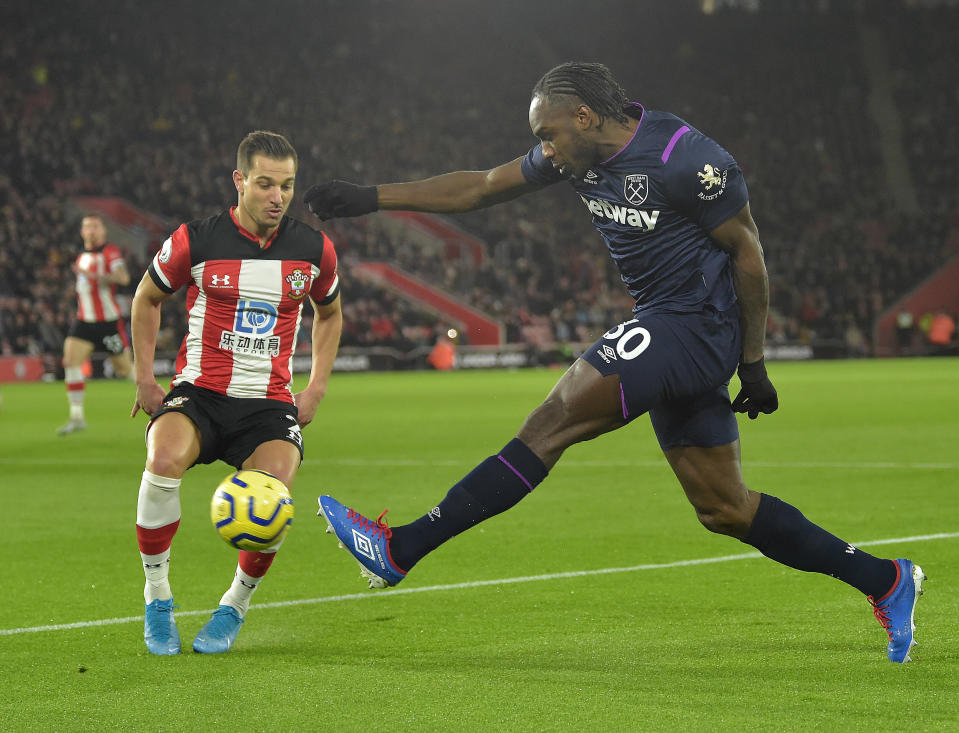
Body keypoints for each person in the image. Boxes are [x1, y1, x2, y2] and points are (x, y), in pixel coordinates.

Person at [305, 62, 925, 664]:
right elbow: (483, 186)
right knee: (725, 509)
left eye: (548, 133)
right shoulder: (576, 156)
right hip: (672, 325)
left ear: (583, 115)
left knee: (551, 422)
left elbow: (749, 254)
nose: (544, 148)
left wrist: (754, 362)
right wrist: (370, 198)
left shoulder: (686, 157)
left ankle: (401, 548)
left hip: (694, 324)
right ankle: (887, 580)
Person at [130, 130, 343, 655]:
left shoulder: (314, 249)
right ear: (240, 181)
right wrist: (144, 376)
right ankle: (158, 598)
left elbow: (330, 313)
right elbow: (146, 298)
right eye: (266, 184)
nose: (278, 197)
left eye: (288, 186)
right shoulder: (195, 240)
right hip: (200, 392)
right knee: (161, 460)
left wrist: (315, 387)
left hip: (269, 405)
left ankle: (234, 606)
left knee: (272, 500)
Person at [57, 214, 133, 435]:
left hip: (108, 323)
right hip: (84, 321)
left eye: (95, 226)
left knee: (124, 369)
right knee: (70, 360)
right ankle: (77, 416)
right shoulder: (81, 255)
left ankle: (161, 403)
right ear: (82, 232)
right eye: (87, 227)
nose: (91, 230)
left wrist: (93, 275)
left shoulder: (110, 252)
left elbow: (123, 278)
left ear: (103, 232)